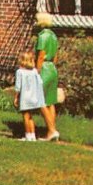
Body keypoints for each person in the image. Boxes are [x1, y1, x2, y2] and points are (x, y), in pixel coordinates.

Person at [35, 13, 60, 141]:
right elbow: (55, 56)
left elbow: (40, 56)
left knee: (40, 100)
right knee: (51, 102)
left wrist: (37, 72)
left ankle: (51, 130)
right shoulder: (54, 36)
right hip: (52, 69)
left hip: (44, 68)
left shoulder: (42, 36)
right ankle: (52, 131)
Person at [14, 51, 46, 141]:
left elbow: (18, 86)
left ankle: (28, 135)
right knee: (30, 116)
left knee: (25, 116)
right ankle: (33, 135)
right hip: (33, 96)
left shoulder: (20, 72)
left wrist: (16, 97)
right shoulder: (34, 71)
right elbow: (40, 82)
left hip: (25, 97)